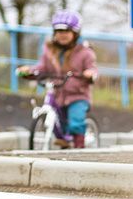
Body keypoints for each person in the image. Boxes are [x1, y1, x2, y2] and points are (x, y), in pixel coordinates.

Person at [17, 10, 98, 148]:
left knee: (76, 122)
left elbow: (92, 68)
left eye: (66, 31)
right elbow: (42, 68)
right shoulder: (50, 51)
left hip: (77, 95)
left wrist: (90, 73)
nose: (62, 35)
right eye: (59, 31)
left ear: (75, 33)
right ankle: (64, 141)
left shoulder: (85, 52)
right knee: (57, 119)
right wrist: (29, 71)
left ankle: (80, 149)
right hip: (58, 93)